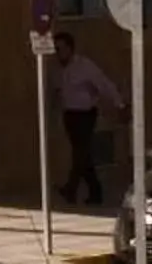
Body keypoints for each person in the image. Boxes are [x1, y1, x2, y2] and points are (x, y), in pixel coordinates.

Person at [51, 29, 123, 205]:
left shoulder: (84, 66)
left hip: (85, 115)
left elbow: (103, 84)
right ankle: (95, 193)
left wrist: (119, 103)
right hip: (70, 115)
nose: (58, 53)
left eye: (61, 48)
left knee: (80, 153)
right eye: (56, 49)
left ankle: (71, 188)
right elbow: (58, 92)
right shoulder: (58, 70)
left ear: (70, 48)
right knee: (83, 156)